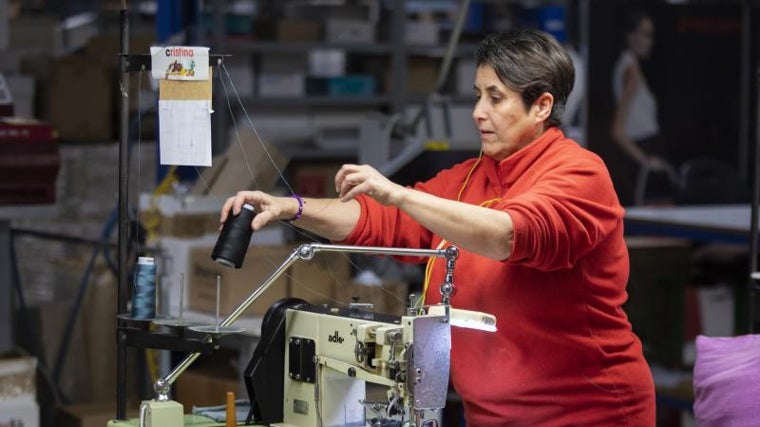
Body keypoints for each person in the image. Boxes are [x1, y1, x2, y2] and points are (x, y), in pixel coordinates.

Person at [222, 28, 655, 426]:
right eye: (477, 95)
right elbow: (382, 222)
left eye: (496, 97)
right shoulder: (469, 178)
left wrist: (399, 193)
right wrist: (289, 206)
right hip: (491, 417)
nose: (478, 112)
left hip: (587, 414)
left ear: (541, 106)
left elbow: (509, 235)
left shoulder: (580, 174)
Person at [611, 10, 673, 205]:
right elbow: (617, 131)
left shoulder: (628, 67)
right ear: (630, 36)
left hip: (647, 151)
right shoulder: (631, 71)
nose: (650, 41)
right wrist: (645, 160)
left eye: (651, 35)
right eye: (645, 34)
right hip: (644, 152)